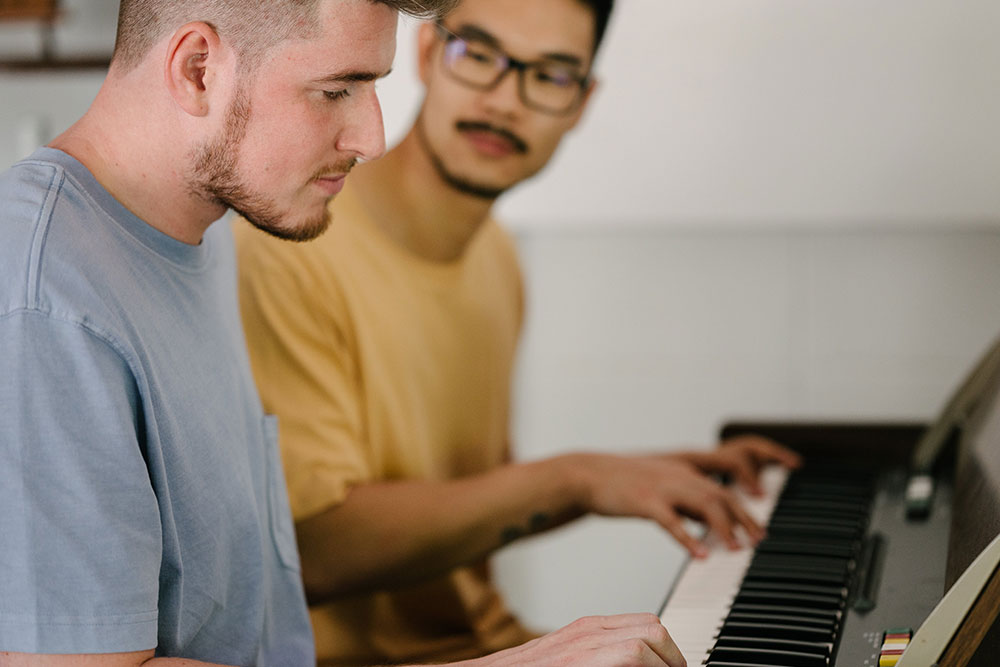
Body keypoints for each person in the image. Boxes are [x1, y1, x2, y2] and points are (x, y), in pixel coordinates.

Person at [0, 1, 687, 666]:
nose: (373, 137)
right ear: (199, 69)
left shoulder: (200, 233)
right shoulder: (46, 304)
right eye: (336, 90)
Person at [234, 0, 801, 665]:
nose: (506, 101)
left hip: (494, 643)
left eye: (552, 75)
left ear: (582, 103)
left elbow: (461, 512)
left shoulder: (495, 257)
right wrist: (577, 479)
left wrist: (624, 475)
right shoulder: (290, 246)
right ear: (425, 57)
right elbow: (318, 552)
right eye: (479, 54)